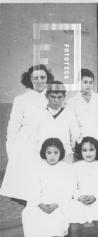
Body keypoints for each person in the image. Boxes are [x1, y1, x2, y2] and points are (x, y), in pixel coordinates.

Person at [1, 64, 54, 205]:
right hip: (26, 148)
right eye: (35, 78)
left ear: (47, 78)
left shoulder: (53, 98)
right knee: (28, 193)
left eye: (42, 77)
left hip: (48, 145)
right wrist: (12, 152)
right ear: (29, 79)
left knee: (47, 190)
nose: (39, 80)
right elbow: (12, 129)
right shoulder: (21, 100)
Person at [21, 138, 72, 237]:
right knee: (30, 213)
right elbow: (33, 189)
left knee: (56, 216)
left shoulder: (65, 168)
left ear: (61, 153)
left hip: (59, 202)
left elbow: (68, 189)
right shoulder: (38, 168)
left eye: (56, 152)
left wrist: (56, 204)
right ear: (44, 153)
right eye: (49, 153)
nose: (52, 156)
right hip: (41, 202)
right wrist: (40, 204)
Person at [35, 81, 80, 163]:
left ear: (64, 97)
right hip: (44, 157)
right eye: (53, 97)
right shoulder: (39, 113)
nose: (56, 100)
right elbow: (33, 136)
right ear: (46, 96)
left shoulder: (69, 114)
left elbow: (75, 136)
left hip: (65, 157)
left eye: (59, 97)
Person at [67, 68, 98, 142]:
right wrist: (77, 139)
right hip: (81, 138)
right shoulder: (72, 101)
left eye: (90, 82)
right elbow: (73, 124)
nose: (88, 85)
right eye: (85, 82)